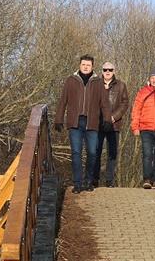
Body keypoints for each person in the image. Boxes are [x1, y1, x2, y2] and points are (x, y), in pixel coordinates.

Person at [54, 54, 113, 194]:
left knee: (92, 152)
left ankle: (88, 180)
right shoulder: (71, 80)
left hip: (92, 122)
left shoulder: (98, 82)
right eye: (83, 65)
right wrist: (58, 119)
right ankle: (77, 183)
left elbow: (104, 103)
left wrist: (106, 120)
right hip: (75, 122)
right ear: (79, 65)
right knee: (76, 152)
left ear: (92, 66)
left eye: (88, 65)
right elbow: (63, 100)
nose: (85, 67)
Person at [92, 62, 129, 188]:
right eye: (105, 69)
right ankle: (94, 178)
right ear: (101, 71)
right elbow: (91, 103)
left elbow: (125, 103)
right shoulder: (95, 85)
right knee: (95, 151)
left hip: (114, 124)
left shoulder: (121, 85)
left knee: (112, 153)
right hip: (98, 123)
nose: (107, 72)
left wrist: (115, 116)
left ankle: (109, 181)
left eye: (110, 70)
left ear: (114, 71)